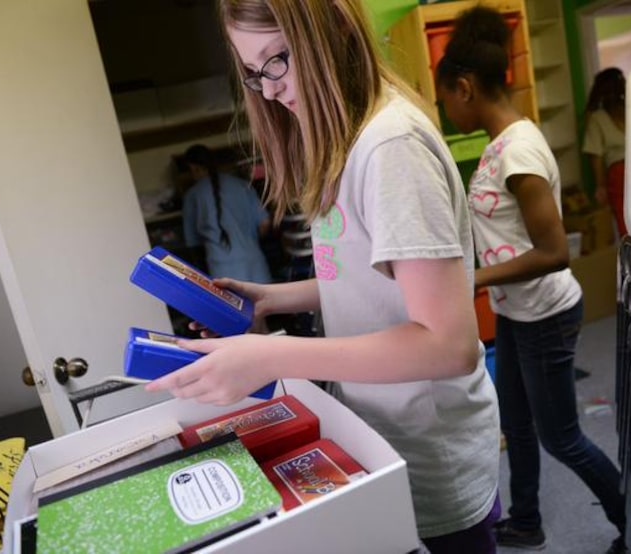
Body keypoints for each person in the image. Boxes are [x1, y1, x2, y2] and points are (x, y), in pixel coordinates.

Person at [146, 1, 502, 552]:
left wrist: (272, 357)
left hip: (432, 455)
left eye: (277, 60)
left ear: (330, 30)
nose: (266, 90)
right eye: (252, 71)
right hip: (380, 435)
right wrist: (268, 299)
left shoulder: (390, 148)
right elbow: (367, 281)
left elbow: (449, 346)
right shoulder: (348, 141)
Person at [435, 7, 626, 554]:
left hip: (545, 310)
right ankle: (525, 520)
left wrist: (474, 278)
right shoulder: (503, 145)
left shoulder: (517, 150)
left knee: (560, 436)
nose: (445, 108)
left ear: (466, 88)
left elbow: (552, 251)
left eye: (446, 96)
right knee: (515, 423)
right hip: (518, 310)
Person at [181, 144, 273, 284]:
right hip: (254, 261)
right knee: (268, 304)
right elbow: (265, 223)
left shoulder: (192, 196)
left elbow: (192, 243)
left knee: (234, 306)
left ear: (194, 168)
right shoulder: (242, 185)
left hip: (221, 268)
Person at [582, 67, 627, 237]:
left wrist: (600, 186)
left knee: (626, 225)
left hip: (619, 174)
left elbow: (596, 155)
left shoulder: (597, 118)